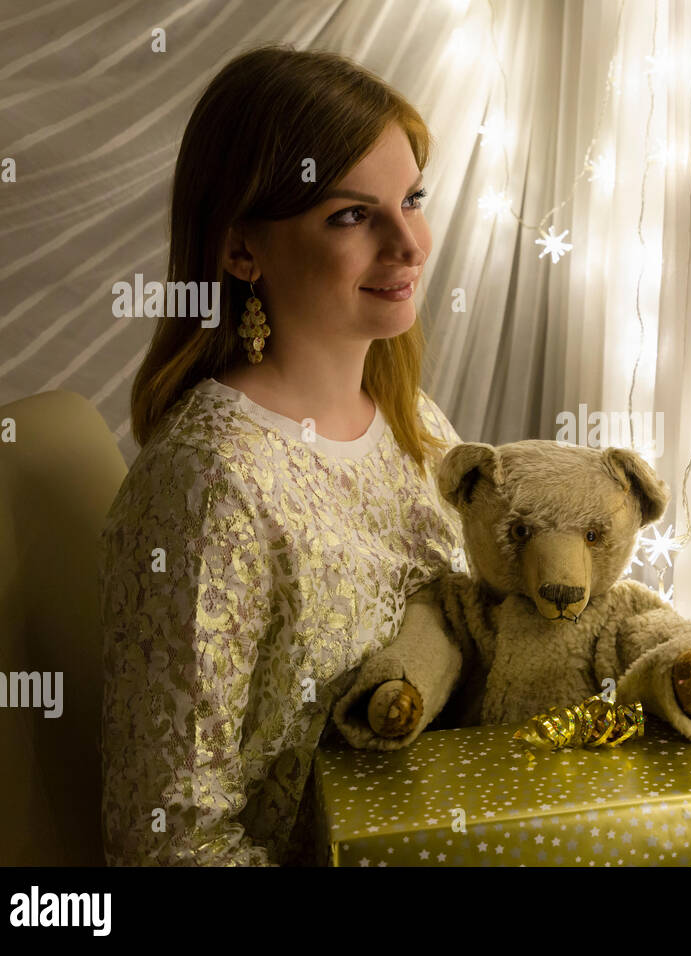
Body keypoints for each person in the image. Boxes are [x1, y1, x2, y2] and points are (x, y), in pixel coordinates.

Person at [98, 45, 466, 865]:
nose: (408, 243)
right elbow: (168, 837)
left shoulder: (420, 426)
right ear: (240, 251)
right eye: (350, 215)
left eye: (411, 199)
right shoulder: (207, 484)